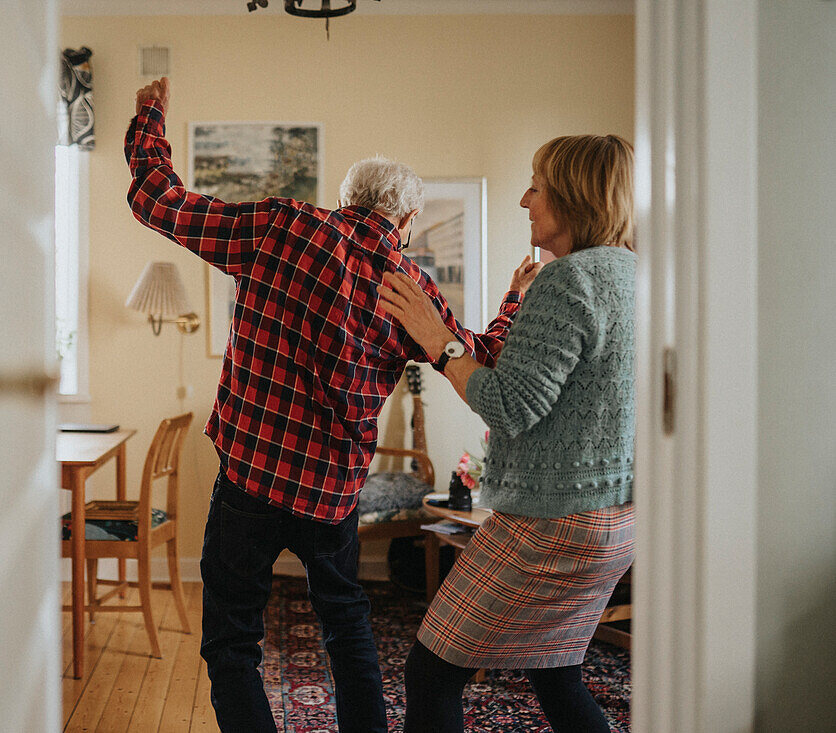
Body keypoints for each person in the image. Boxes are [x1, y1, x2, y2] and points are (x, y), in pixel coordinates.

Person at [125, 77, 539, 733]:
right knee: (347, 631)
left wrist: (150, 115)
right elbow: (484, 354)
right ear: (403, 224)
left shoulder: (281, 225)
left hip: (251, 476)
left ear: (344, 201)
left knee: (231, 640)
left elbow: (158, 200)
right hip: (331, 491)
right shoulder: (410, 289)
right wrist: (517, 298)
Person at [378, 134, 637, 733]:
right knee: (556, 672)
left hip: (550, 523)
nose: (525, 199)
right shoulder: (631, 274)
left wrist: (434, 339)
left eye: (537, 186)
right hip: (615, 518)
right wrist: (515, 305)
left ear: (573, 198)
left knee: (430, 672)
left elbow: (510, 404)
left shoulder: (568, 280)